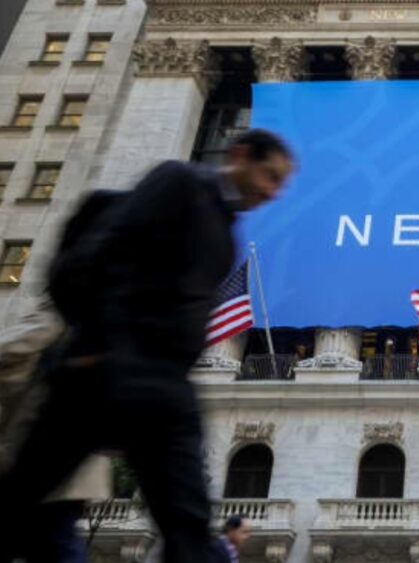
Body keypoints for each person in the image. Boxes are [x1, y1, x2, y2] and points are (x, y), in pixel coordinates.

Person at [0, 129, 294, 563]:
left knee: (188, 521)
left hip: (163, 387)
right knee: (21, 501)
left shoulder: (227, 232)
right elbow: (95, 253)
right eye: (270, 176)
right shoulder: (178, 182)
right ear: (242, 154)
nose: (273, 192)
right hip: (104, 372)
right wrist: (94, 343)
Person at [0, 296, 112, 563]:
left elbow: (23, 342)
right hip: (64, 456)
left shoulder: (67, 304)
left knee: (56, 538)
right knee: (55, 539)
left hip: (44, 450)